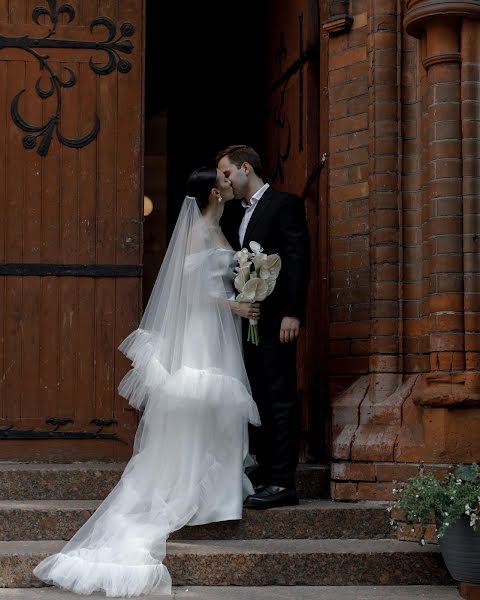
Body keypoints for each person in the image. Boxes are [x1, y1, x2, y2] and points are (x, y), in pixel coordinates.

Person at [32, 167, 261, 598]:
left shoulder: (215, 227)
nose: (231, 182)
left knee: (214, 406)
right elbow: (192, 293)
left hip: (218, 332)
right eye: (225, 180)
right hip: (201, 331)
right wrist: (235, 307)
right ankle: (196, 492)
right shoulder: (197, 234)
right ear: (214, 191)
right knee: (199, 402)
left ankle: (218, 493)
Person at [217, 145, 311, 510]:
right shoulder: (234, 215)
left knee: (280, 396)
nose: (225, 181)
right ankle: (267, 469)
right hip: (250, 321)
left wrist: (293, 313)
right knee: (257, 395)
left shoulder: (284, 204)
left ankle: (284, 482)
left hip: (277, 321)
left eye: (227, 173)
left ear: (245, 168)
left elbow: (297, 258)